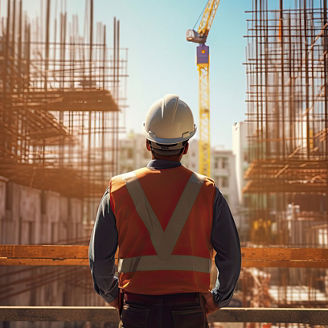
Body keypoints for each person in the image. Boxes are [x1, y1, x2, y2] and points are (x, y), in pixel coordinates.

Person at [89, 94, 241, 328]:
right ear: (187, 147)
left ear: (148, 144)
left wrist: (113, 295)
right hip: (189, 310)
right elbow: (230, 255)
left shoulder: (117, 190)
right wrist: (219, 297)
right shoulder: (208, 192)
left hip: (136, 309)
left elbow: (100, 259)